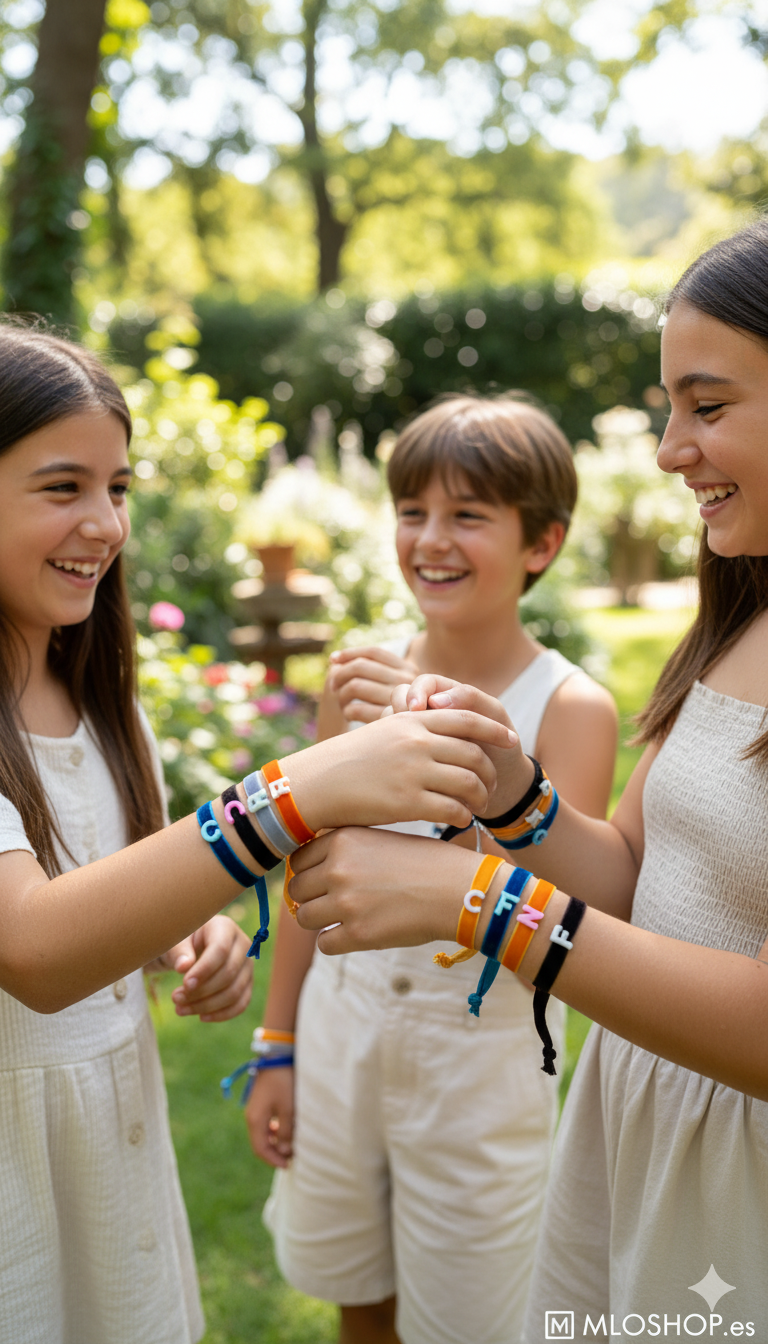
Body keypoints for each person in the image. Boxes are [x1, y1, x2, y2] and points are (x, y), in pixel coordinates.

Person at [287, 220, 768, 1340]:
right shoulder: (739, 619)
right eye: (668, 408)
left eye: (707, 406)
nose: (665, 449)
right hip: (647, 1133)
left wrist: (483, 902)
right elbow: (632, 876)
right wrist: (515, 793)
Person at [0, 323, 514, 1344]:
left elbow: (96, 908)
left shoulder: (100, 702)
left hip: (110, 1177)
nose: (105, 524)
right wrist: (297, 792)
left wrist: (184, 937)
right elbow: (39, 950)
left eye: (120, 488)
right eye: (63, 488)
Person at [247, 396, 617, 1344]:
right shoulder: (358, 681)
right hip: (341, 1036)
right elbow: (305, 882)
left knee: (470, 1316)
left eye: (468, 515)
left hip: (480, 1064)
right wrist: (276, 1041)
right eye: (413, 511)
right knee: (356, 1289)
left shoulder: (570, 707)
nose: (431, 540)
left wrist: (455, 771)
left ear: (542, 543)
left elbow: (556, 916)